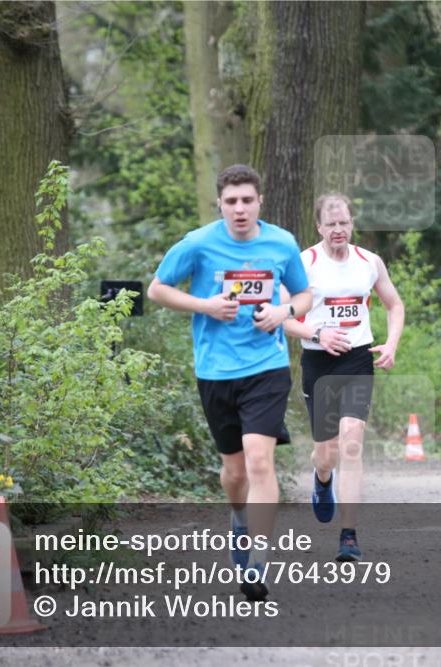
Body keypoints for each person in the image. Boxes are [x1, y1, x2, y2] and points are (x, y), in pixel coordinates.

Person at [147, 164, 312, 600]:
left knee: (260, 461)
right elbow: (157, 289)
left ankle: (258, 562)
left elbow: (304, 295)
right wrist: (204, 305)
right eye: (231, 201)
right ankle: (239, 518)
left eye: (247, 200)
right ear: (219, 204)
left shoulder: (282, 243)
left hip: (266, 368)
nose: (240, 209)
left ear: (260, 202)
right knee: (234, 471)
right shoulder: (198, 244)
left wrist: (283, 313)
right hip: (216, 372)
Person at [282, 193, 404, 562]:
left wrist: (391, 344)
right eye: (331, 224)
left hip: (357, 361)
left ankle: (348, 535)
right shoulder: (303, 263)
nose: (338, 230)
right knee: (327, 454)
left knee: (351, 442)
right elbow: (281, 317)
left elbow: (394, 305)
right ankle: (321, 481)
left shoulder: (370, 262)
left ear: (352, 224)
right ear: (319, 226)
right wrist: (316, 335)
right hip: (319, 363)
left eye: (344, 223)